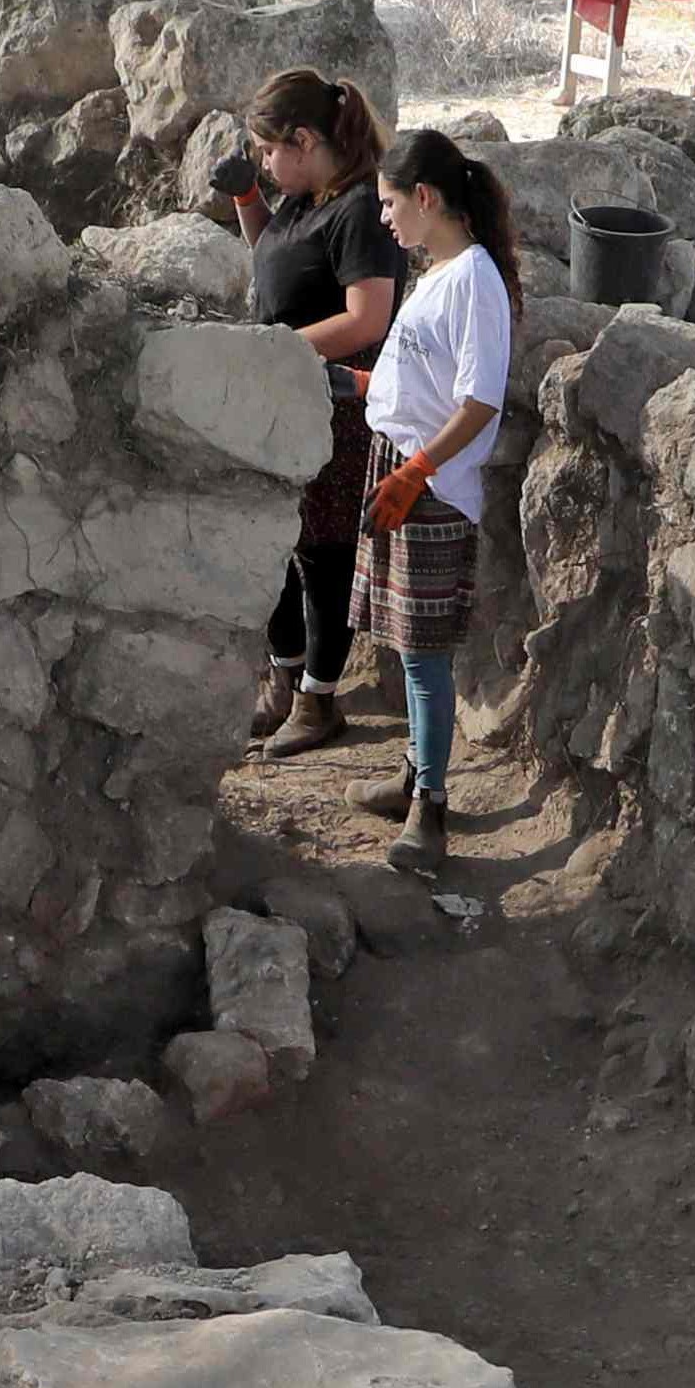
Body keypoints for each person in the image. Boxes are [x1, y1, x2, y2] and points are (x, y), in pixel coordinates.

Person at [226, 69, 406, 755]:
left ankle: (319, 700)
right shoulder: (308, 199)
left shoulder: (361, 209)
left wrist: (271, 352)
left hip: (337, 404)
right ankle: (286, 681)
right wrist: (247, 197)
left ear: (304, 140)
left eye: (268, 151)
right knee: (277, 543)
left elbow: (367, 318)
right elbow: (281, 263)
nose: (266, 164)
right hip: (292, 394)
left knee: (324, 556)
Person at [357, 124, 519, 885]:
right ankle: (411, 769)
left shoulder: (475, 278)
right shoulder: (440, 269)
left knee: (424, 655)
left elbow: (479, 400)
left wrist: (415, 469)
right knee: (401, 638)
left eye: (391, 204)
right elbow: (418, 378)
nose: (385, 219)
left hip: (430, 486)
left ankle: (430, 804)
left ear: (425, 198)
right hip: (401, 469)